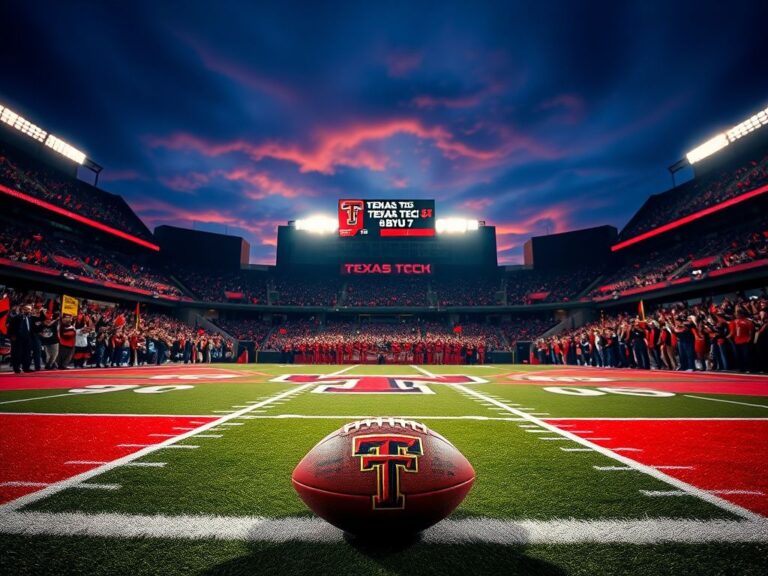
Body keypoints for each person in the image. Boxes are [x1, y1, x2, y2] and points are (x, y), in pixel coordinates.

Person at [8, 303, 34, 373]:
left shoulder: (30, 318)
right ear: (22, 309)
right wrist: (12, 336)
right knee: (17, 353)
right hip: (17, 338)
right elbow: (10, 327)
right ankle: (16, 368)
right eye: (25, 309)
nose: (27, 310)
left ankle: (26, 368)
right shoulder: (16, 317)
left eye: (29, 309)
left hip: (27, 338)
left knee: (27, 353)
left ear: (31, 310)